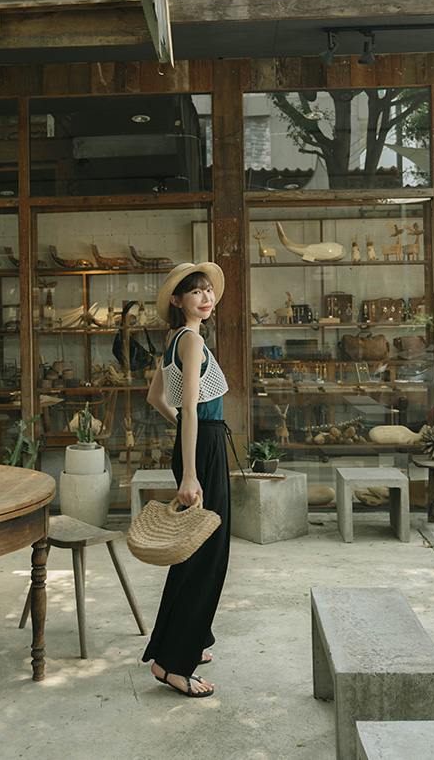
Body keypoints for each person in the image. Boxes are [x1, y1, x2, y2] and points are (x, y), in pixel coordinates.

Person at [141, 261, 233, 698]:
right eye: (195, 291)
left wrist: (181, 429)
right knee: (206, 556)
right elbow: (192, 408)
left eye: (208, 289)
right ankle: (174, 665)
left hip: (199, 444)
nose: (206, 297)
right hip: (204, 450)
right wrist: (192, 473)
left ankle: (184, 641)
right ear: (178, 301)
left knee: (195, 554)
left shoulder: (175, 340)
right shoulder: (192, 340)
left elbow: (155, 397)